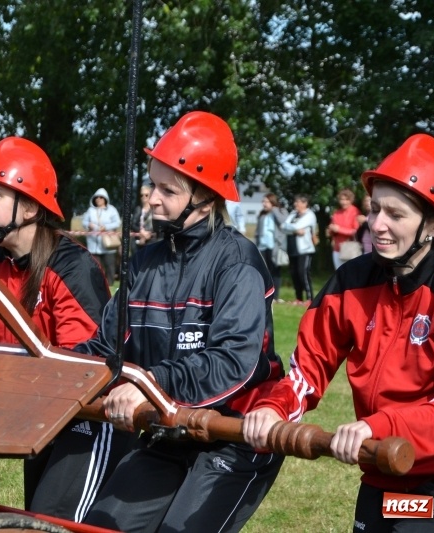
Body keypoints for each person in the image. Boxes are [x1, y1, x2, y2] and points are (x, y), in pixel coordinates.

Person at [243, 133, 434, 533]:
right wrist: (273, 408)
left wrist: (379, 426)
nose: (377, 225)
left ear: (433, 223)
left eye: (396, 215)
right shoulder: (351, 279)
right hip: (382, 466)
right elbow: (306, 371)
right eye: (375, 209)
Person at [76, 111, 285, 533]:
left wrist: (149, 386)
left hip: (233, 434)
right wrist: (49, 371)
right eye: (152, 185)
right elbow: (104, 349)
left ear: (207, 197)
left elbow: (231, 363)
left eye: (166, 190)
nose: (151, 198)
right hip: (166, 430)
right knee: (100, 527)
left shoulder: (238, 262)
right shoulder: (145, 262)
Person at [0, 137, 135, 522]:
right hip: (40, 418)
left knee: (47, 522)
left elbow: (85, 369)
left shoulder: (72, 270)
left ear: (29, 206)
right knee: (33, 520)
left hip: (90, 423)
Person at [282, 194, 317, 305]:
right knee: (294, 273)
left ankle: (310, 298)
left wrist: (292, 227)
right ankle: (298, 298)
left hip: (305, 249)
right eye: (295, 202)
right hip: (292, 248)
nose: (295, 204)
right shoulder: (293, 214)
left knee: (303, 273)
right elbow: (283, 227)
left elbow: (295, 226)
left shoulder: (310, 215)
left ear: (305, 203)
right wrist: (294, 230)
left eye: (298, 202)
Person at [81, 187, 121, 285]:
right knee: (95, 266)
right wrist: (88, 225)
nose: (98, 199)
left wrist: (106, 227)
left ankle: (110, 284)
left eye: (101, 197)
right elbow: (84, 222)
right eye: (97, 197)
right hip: (93, 245)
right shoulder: (91, 210)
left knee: (109, 265)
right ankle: (97, 284)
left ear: (105, 199)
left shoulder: (112, 210)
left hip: (108, 245)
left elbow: (117, 222)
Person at [255, 192, 287, 303]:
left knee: (275, 271)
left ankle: (276, 296)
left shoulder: (280, 212)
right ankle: (265, 294)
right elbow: (258, 232)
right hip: (263, 246)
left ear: (272, 202)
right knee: (264, 271)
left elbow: (284, 222)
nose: (264, 204)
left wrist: (274, 210)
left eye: (266, 201)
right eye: (263, 202)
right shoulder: (262, 215)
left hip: (275, 247)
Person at [327, 188, 361, 269]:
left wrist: (339, 229)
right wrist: (330, 229)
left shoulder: (355, 211)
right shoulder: (336, 213)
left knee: (352, 274)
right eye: (341, 199)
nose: (343, 202)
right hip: (337, 248)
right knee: (339, 275)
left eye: (346, 199)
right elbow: (332, 232)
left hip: (350, 248)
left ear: (351, 200)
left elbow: (355, 231)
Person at [130, 184, 156, 254]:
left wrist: (146, 235)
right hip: (137, 240)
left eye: (146, 195)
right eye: (142, 195)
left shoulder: (155, 209)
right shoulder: (138, 209)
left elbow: (157, 225)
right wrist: (141, 232)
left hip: (152, 240)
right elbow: (132, 224)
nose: (144, 197)